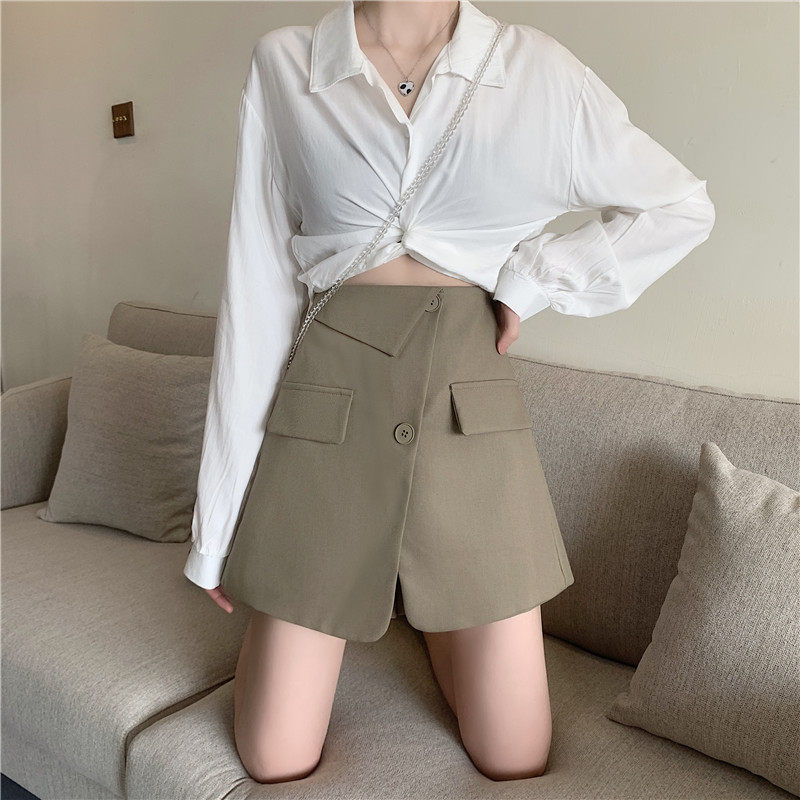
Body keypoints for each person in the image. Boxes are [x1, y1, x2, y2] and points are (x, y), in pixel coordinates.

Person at [183, 0, 716, 785]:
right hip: (328, 408)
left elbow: (678, 205)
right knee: (274, 755)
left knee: (514, 754)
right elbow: (256, 292)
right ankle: (413, 595)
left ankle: (427, 601)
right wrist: (217, 525)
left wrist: (534, 280)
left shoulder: (535, 70)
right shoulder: (286, 64)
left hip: (472, 417)